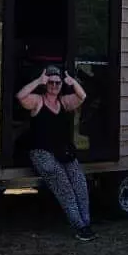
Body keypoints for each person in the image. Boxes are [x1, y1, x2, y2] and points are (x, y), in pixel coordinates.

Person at [15, 66, 96, 241]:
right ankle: (79, 226)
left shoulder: (63, 102)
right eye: (50, 82)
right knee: (64, 186)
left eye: (57, 83)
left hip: (62, 152)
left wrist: (73, 82)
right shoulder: (38, 101)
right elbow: (21, 96)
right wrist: (38, 81)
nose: (54, 86)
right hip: (42, 153)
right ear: (46, 84)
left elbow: (82, 96)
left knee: (80, 183)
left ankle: (86, 222)